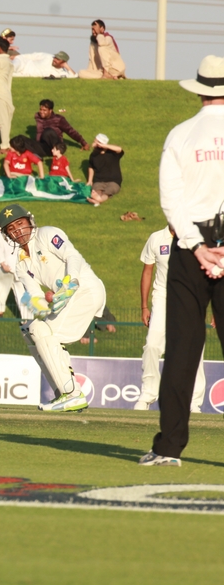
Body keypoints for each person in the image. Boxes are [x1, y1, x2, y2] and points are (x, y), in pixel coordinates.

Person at [141, 55, 224, 466]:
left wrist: (197, 245)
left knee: (182, 351)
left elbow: (170, 202)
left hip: (191, 249)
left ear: (201, 90)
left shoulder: (181, 134)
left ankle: (168, 448)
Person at [0, 203, 106, 412]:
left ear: (30, 221)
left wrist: (69, 281)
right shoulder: (21, 264)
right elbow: (35, 297)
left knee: (41, 330)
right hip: (65, 299)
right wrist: (47, 303)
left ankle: (73, 394)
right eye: (11, 229)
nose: (17, 231)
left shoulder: (47, 234)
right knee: (30, 331)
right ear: (7, 236)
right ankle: (63, 391)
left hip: (85, 289)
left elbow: (72, 255)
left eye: (20, 223)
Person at [136, 225, 206, 413]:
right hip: (163, 297)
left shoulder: (197, 238)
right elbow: (147, 271)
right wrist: (144, 306)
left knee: (194, 349)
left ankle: (194, 402)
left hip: (192, 298)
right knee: (152, 344)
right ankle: (148, 394)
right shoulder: (156, 238)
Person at [0, 227, 32, 319]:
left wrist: (2, 263)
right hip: (19, 266)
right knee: (21, 293)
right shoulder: (15, 233)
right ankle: (27, 319)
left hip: (7, 266)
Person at [87, 134, 124, 205]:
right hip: (99, 181)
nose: (93, 144)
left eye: (95, 142)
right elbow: (91, 167)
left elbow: (119, 149)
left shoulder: (113, 153)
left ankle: (99, 199)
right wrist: (90, 181)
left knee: (108, 192)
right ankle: (96, 199)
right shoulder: (94, 155)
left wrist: (104, 146)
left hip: (114, 181)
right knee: (96, 191)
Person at [12, 51, 76, 79]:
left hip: (25, 75)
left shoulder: (62, 73)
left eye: (58, 59)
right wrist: (16, 56)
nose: (55, 60)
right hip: (24, 64)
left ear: (63, 62)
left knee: (11, 76)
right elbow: (32, 56)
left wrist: (67, 66)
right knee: (12, 68)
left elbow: (74, 76)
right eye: (55, 57)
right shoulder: (48, 56)